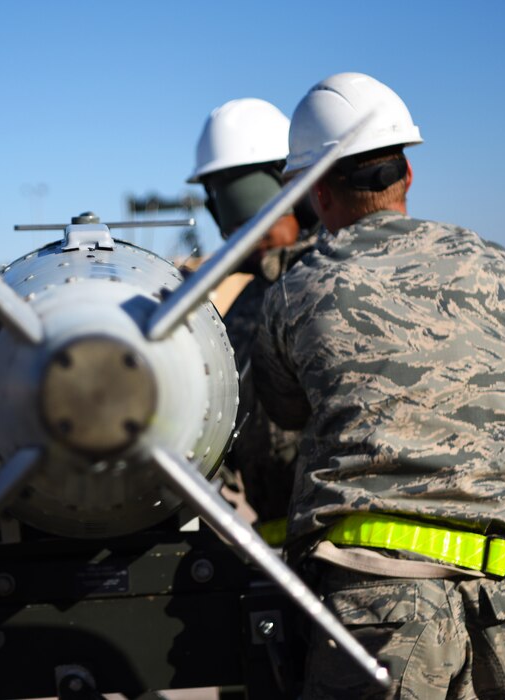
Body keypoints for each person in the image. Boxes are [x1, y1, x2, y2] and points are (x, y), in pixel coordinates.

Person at [251, 72, 505, 698]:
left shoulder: (294, 291)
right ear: (408, 173)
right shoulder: (498, 268)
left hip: (376, 611)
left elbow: (284, 413)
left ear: (318, 196)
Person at [188, 98, 314, 540]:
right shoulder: (241, 312)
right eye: (242, 228)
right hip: (281, 551)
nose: (254, 241)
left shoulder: (340, 282)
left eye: (267, 224)